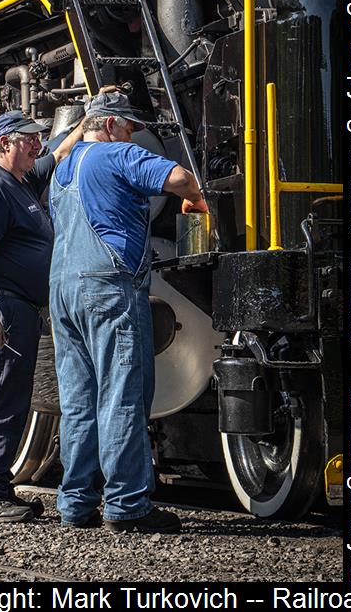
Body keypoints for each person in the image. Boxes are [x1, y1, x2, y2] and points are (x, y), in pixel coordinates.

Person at [48, 91, 209, 533]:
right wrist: (197, 198)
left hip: (62, 290)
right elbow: (178, 176)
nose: (134, 136)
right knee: (122, 392)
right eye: (131, 128)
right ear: (114, 125)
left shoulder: (62, 168)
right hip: (107, 286)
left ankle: (75, 503)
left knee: (78, 400)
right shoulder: (117, 155)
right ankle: (126, 504)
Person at [0, 108, 84, 524]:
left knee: (12, 400)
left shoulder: (21, 181)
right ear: (4, 143)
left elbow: (60, 153)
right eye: (29, 138)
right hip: (5, 305)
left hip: (20, 307)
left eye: (37, 137)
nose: (38, 144)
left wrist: (89, 119)